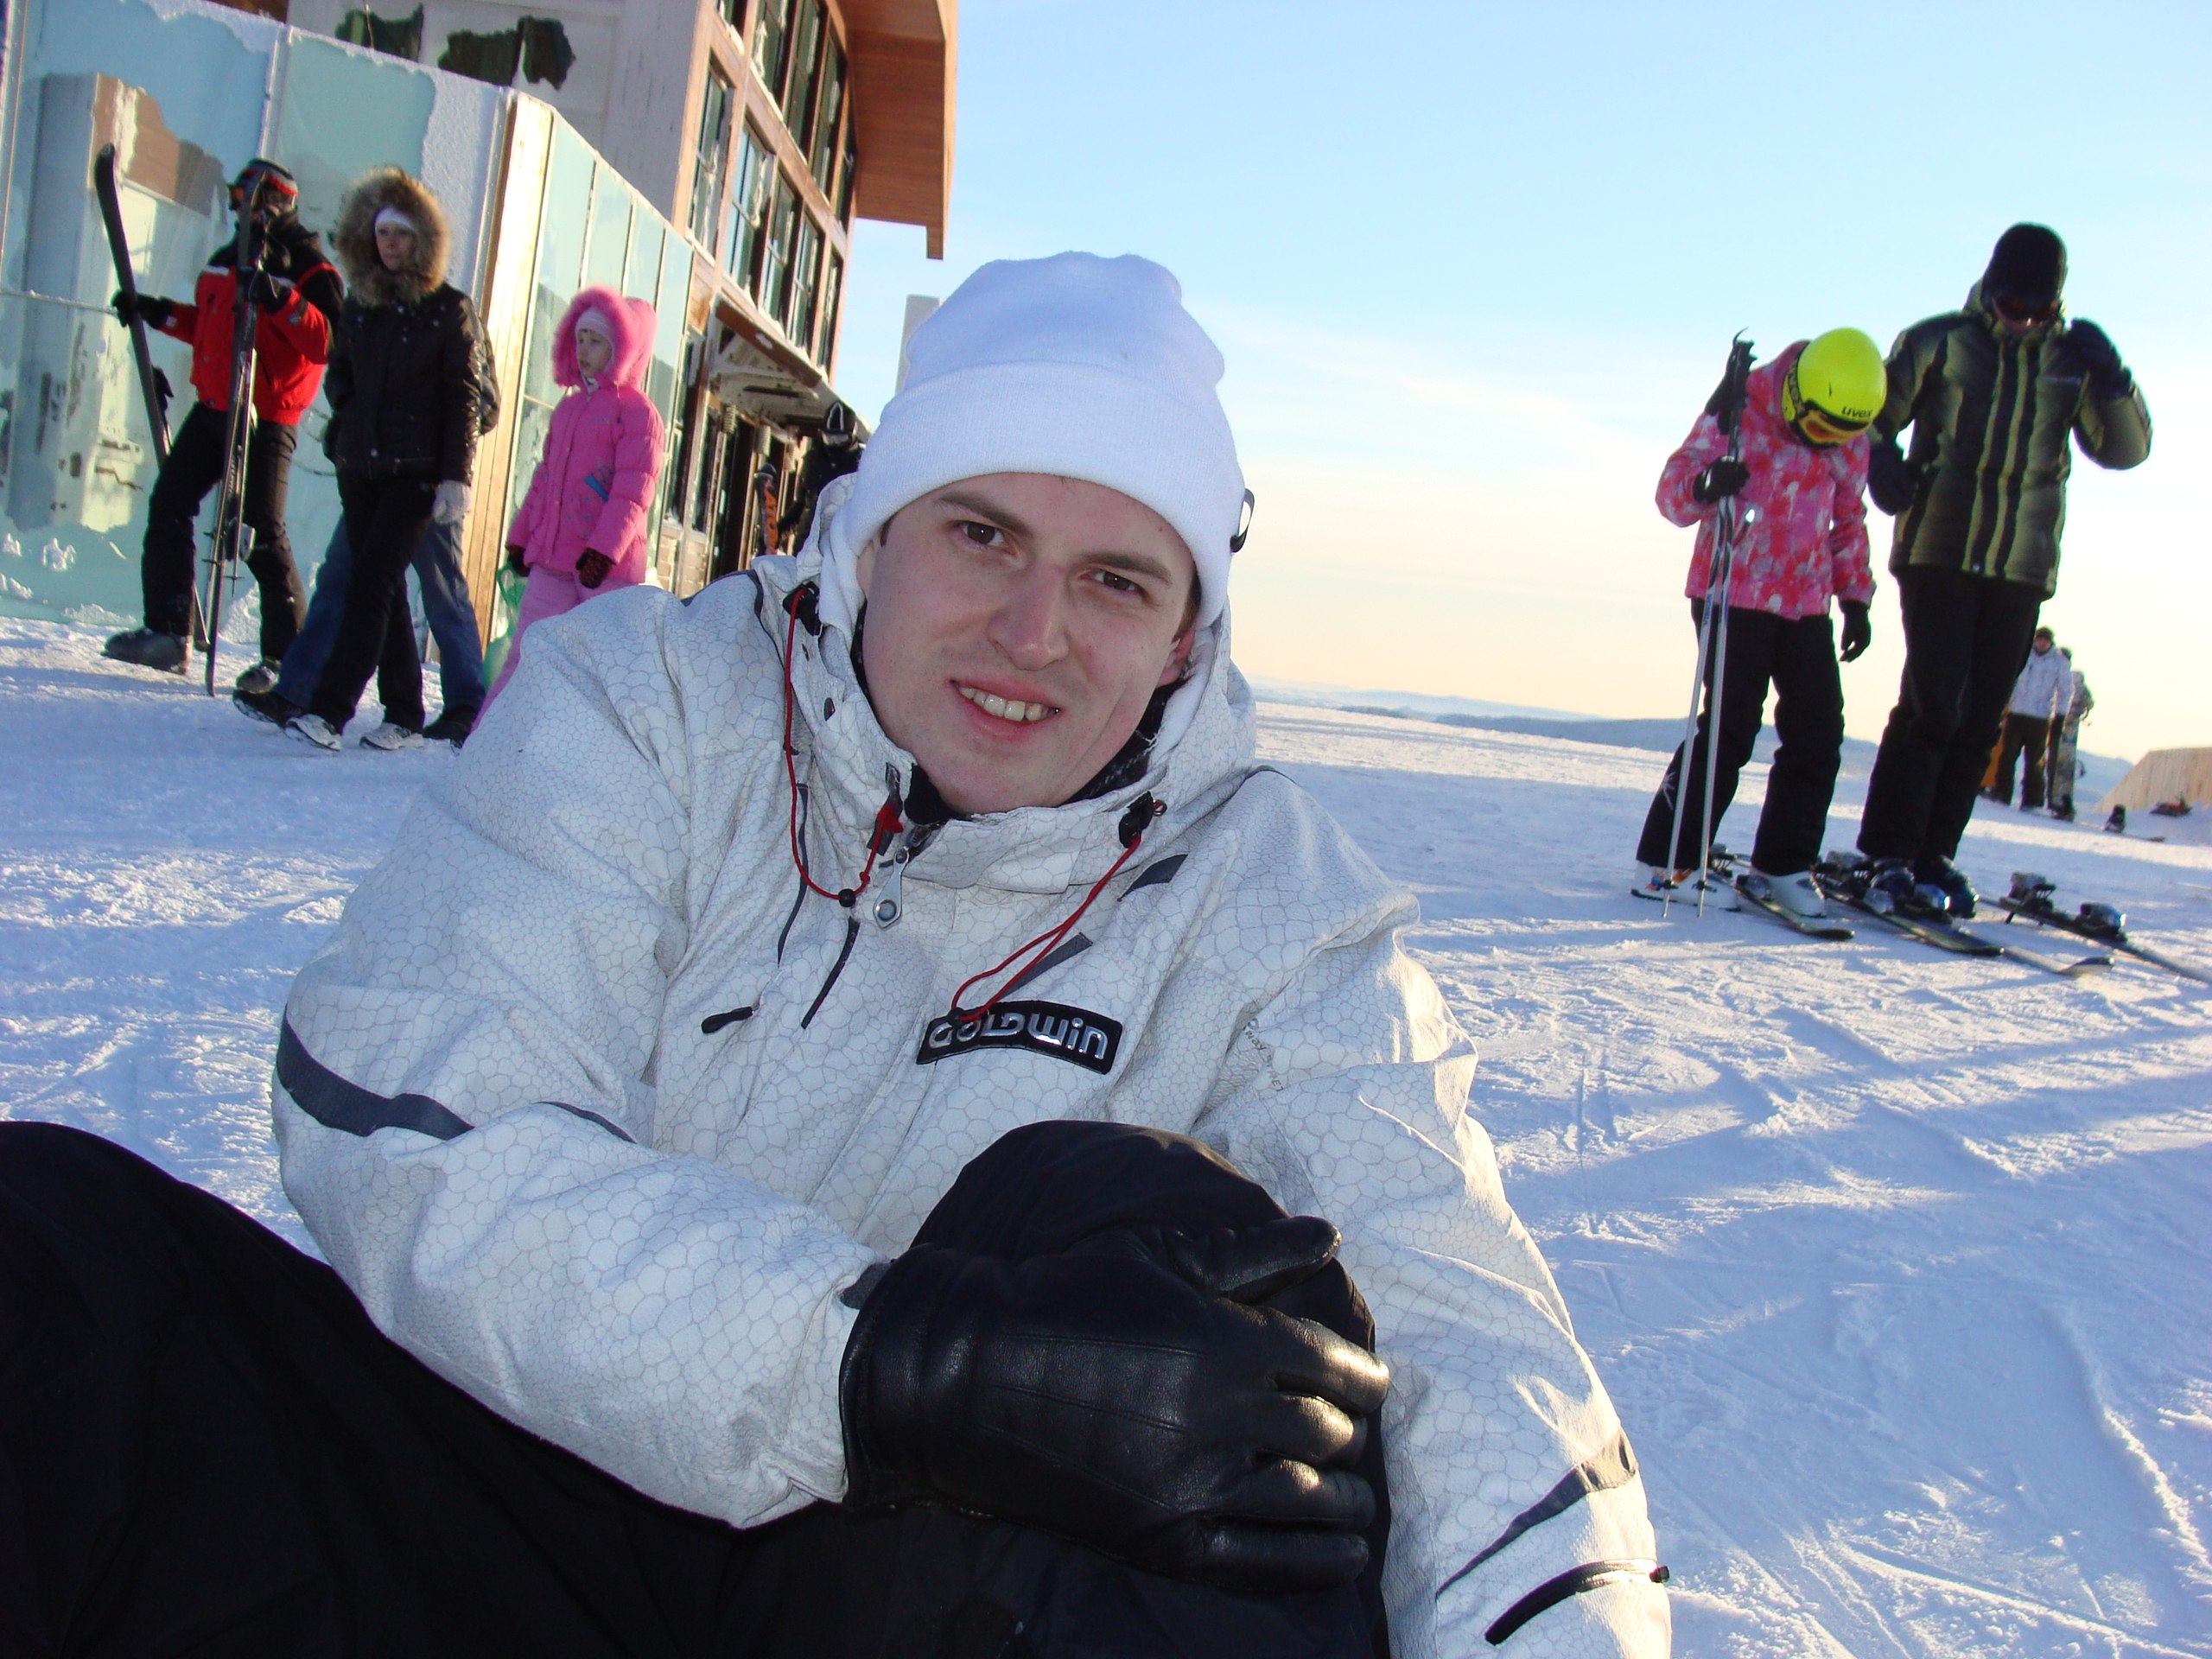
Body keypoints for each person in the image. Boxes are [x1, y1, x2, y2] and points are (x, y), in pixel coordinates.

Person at [0, 254, 1669, 1658]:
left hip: (901, 1595)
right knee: (53, 1254)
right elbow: (423, 1114)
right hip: (497, 1488)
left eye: (1115, 580)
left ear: (1183, 641)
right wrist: (892, 1364)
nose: (1032, 634)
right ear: (872, 539)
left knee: (1199, 1287)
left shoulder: (1268, 895)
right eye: (982, 535)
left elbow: (1455, 1318)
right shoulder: (653, 704)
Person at [1854, 224, 2152, 914]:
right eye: (2011, 305)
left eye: (2038, 310)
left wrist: (2117, 384)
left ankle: (1934, 855)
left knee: (1982, 716)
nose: (2022, 321)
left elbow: (2126, 451)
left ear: (2056, 305)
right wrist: (1879, 457)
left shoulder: (2072, 362)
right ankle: (1888, 853)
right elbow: (1871, 412)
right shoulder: (1939, 341)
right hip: (1938, 549)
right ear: (1990, 289)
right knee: (1934, 704)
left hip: (2022, 564)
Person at [1634, 329, 1882, 916]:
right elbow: (1671, 495)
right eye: (1817, 426)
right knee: (1729, 728)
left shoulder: (1849, 441)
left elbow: (1848, 520)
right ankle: (1666, 862)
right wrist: (1705, 483)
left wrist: (1856, 598)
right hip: (1732, 593)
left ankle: (1783, 864)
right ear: (1797, 394)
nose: (1825, 441)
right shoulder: (1737, 411)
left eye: (1839, 435)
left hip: (1805, 603)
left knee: (1818, 733)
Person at [101, 160, 342, 683]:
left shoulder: (308, 267)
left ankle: (286, 660)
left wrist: (281, 297)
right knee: (170, 503)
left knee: (260, 530)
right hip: (215, 405)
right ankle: (169, 631)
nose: (239, 211)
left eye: (249, 202)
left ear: (277, 205)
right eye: (237, 201)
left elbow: (328, 341)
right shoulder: (223, 260)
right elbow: (211, 329)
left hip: (266, 415)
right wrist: (159, 312)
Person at [285, 169, 484, 753]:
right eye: (382, 233)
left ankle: (330, 709)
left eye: (401, 233)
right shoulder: (362, 304)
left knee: (369, 584)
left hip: (416, 474)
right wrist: (347, 430)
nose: (391, 244)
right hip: (362, 469)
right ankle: (403, 712)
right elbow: (340, 374)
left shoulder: (448, 309)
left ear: (421, 238)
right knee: (386, 590)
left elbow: (464, 396)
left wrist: (455, 476)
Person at [236, 331, 502, 744]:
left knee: (441, 587)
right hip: (375, 476)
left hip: (429, 479)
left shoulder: (453, 317)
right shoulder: (376, 313)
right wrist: (346, 435)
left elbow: (485, 404)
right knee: (341, 575)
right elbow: (347, 381)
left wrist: (440, 451)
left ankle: (465, 706)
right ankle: (298, 691)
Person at [485, 286, 664, 708]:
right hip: (554, 559)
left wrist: (603, 551)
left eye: (596, 341)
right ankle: (491, 738)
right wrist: (522, 537)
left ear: (622, 348)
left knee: (596, 668)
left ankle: (585, 746)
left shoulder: (638, 414)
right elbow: (544, 480)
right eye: (580, 338)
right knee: (528, 653)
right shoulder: (568, 410)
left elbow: (632, 492)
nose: (584, 349)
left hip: (607, 570)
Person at [1988, 626, 2068, 809]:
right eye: (2040, 639)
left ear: (2051, 642)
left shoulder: (2059, 663)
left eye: (2046, 640)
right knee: (2007, 756)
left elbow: (2065, 692)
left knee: (2034, 761)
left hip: (2040, 718)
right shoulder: (2023, 655)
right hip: (2016, 713)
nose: (2042, 643)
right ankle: (2001, 792)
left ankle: (2032, 799)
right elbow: (2009, 679)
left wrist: (2060, 717)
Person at [779, 397, 865, 550]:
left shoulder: (863, 463)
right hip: (809, 540)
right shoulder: (814, 460)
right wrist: (780, 529)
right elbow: (801, 503)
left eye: (839, 439)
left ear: (852, 435)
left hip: (843, 542)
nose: (834, 444)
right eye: (829, 438)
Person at [2046, 646, 2094, 820]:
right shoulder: (2072, 680)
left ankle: (2056, 799)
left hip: (2058, 722)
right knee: (2059, 762)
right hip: (2063, 723)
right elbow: (2089, 703)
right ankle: (2058, 799)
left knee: (2055, 762)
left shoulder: (2064, 678)